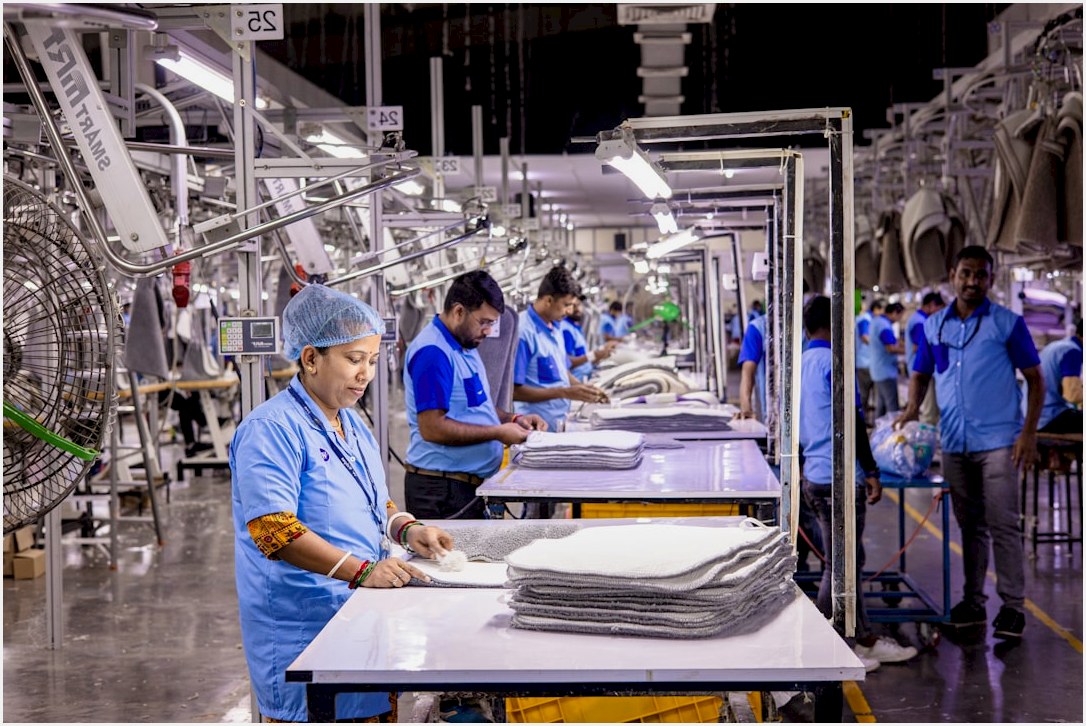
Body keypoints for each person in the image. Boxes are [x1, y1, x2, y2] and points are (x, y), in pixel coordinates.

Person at [230, 284, 454, 722]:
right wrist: (362, 571)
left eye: (372, 361)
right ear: (311, 358)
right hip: (306, 624)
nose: (365, 374)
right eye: (353, 359)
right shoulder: (272, 429)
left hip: (360, 611)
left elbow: (374, 500)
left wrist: (408, 529)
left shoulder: (351, 422)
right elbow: (273, 531)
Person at [896, 246, 1044, 640]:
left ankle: (1013, 607)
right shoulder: (934, 326)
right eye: (966, 273)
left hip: (998, 442)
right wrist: (912, 409)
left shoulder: (1006, 324)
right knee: (970, 527)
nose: (973, 281)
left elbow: (1035, 378)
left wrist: (1028, 433)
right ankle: (973, 602)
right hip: (956, 444)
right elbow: (921, 372)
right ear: (952, 275)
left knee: (1003, 525)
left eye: (981, 275)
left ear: (991, 280)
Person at [798, 295, 918, 671]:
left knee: (846, 559)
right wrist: (871, 471)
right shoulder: (836, 363)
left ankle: (861, 638)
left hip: (812, 477)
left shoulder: (800, 364)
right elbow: (852, 424)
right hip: (838, 477)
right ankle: (827, 646)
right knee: (841, 565)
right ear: (835, 325)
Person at [403, 271, 547, 520]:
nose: (489, 331)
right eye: (484, 322)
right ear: (458, 312)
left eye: (492, 323)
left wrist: (513, 420)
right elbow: (432, 428)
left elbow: (479, 408)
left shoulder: (464, 346)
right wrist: (498, 433)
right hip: (441, 491)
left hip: (463, 487)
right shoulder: (433, 353)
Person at [514, 266, 609, 431]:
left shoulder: (555, 327)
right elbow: (514, 392)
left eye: (572, 305)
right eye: (566, 305)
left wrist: (583, 389)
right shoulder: (523, 333)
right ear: (548, 300)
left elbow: (562, 370)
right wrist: (564, 392)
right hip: (535, 428)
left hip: (558, 422)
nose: (570, 311)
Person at [905, 292, 946, 425]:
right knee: (929, 411)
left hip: (919, 369)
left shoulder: (918, 319)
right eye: (940, 307)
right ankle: (925, 442)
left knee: (929, 410)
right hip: (921, 372)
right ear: (931, 305)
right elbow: (918, 348)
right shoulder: (921, 322)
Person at [1037, 317, 1082, 435]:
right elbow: (1072, 395)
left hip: (1035, 415)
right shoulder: (1073, 352)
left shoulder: (1059, 346)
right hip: (1048, 417)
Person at [562, 295, 616, 381]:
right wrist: (593, 355)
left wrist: (601, 354)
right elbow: (568, 362)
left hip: (587, 374)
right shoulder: (566, 330)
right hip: (577, 380)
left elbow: (582, 358)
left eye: (579, 305)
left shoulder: (575, 327)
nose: (577, 309)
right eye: (573, 306)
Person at [868, 301, 905, 418]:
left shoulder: (876, 321)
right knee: (892, 406)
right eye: (900, 316)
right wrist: (909, 351)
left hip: (877, 369)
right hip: (885, 371)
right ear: (894, 313)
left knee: (882, 405)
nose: (899, 319)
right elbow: (890, 348)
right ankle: (893, 434)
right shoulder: (884, 326)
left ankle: (879, 432)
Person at [856, 299, 884, 417]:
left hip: (870, 362)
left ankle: (868, 419)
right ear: (876, 309)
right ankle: (861, 420)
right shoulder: (865, 319)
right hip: (864, 362)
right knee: (864, 394)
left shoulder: (870, 319)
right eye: (881, 310)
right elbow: (864, 337)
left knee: (871, 395)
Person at [737, 312, 767, 420]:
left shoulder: (805, 326)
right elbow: (747, 373)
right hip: (769, 412)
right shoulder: (759, 328)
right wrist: (746, 409)